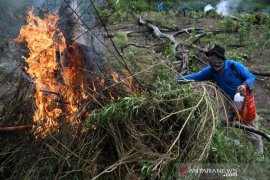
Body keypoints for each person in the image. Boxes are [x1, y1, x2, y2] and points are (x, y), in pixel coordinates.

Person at [177, 45, 264, 157]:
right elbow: (195, 77)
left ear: (223, 59)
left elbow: (250, 76)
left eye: (218, 60)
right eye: (212, 60)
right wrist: (177, 80)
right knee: (220, 123)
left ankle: (259, 157)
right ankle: (222, 147)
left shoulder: (233, 66)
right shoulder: (211, 71)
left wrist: (244, 85)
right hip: (227, 101)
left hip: (243, 100)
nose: (216, 63)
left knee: (251, 129)